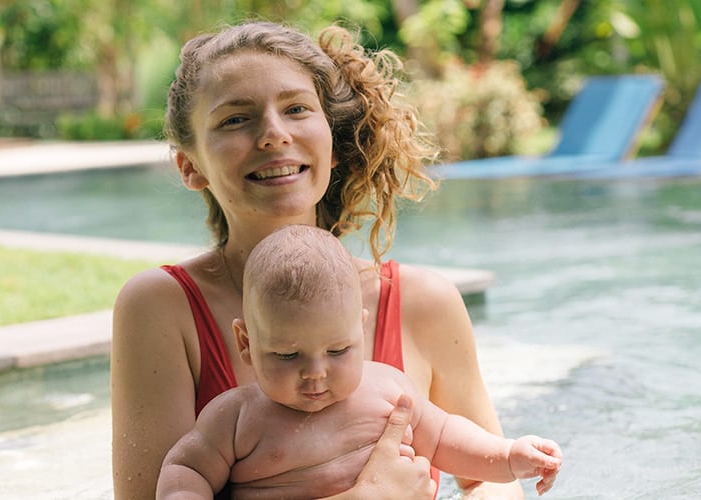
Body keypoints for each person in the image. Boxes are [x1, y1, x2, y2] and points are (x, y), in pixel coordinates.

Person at [112, 20, 525, 498]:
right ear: (191, 166)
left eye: (296, 109)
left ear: (331, 145)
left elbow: (489, 480)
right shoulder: (163, 308)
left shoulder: (423, 302)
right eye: (235, 119)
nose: (273, 134)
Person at [155, 225, 563, 499]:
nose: (315, 371)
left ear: (360, 332)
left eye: (337, 351)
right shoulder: (234, 418)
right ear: (246, 343)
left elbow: (444, 437)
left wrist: (509, 456)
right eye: (287, 355)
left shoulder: (389, 390)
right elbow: (185, 467)